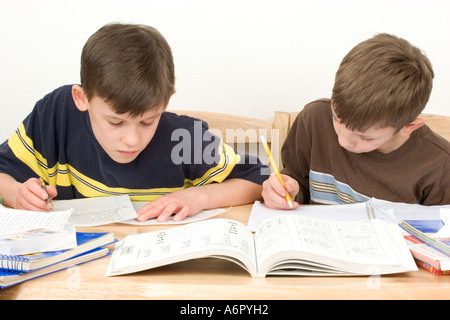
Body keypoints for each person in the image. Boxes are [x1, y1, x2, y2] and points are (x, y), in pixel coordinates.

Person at [0, 23, 268, 221]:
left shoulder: (183, 137)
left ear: (166, 101)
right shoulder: (56, 114)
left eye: (147, 121)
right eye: (115, 123)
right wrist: (15, 193)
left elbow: (258, 179)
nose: (132, 140)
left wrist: (200, 196)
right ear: (82, 98)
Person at [262, 33, 449, 209]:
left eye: (365, 137)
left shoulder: (440, 166)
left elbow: (438, 237)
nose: (343, 141)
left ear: (408, 127)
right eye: (337, 119)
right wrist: (285, 189)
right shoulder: (315, 119)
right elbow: (297, 178)